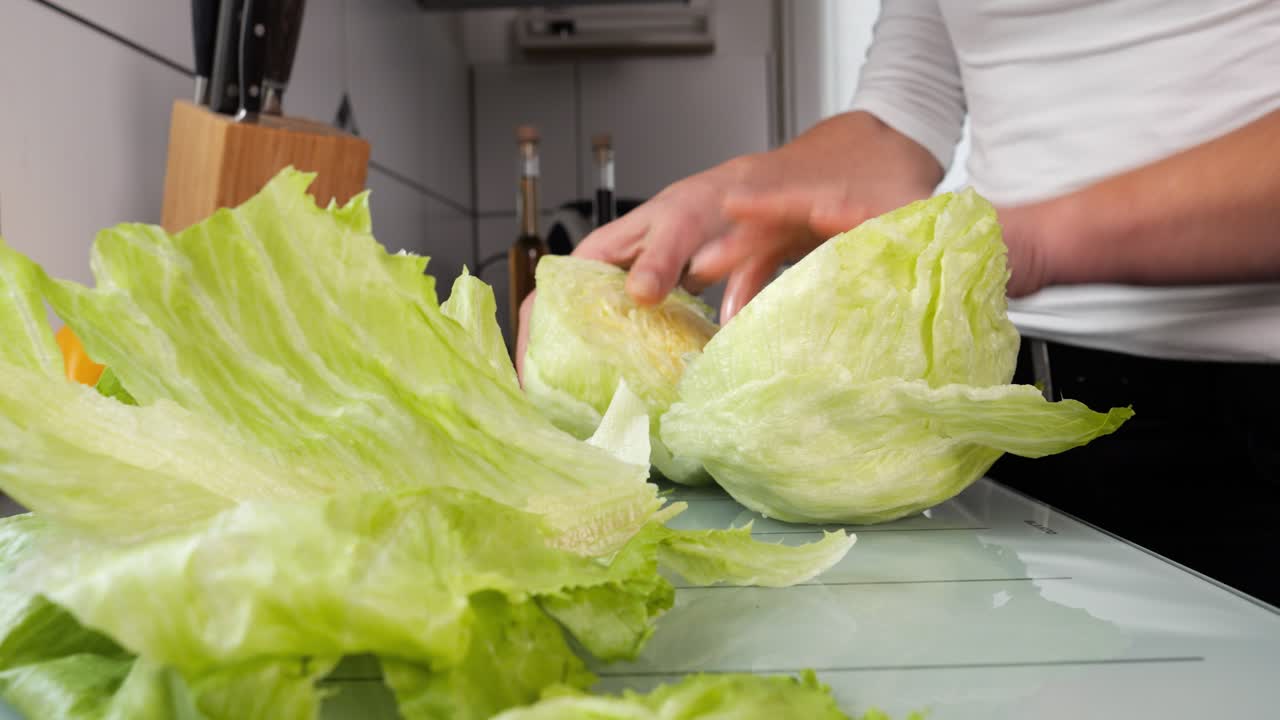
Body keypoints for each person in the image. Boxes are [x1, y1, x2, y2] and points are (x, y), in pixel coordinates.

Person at [518, 0, 1280, 604]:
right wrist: (751, 183)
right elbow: (904, 109)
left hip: (1253, 430)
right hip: (1010, 428)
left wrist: (1029, 240)